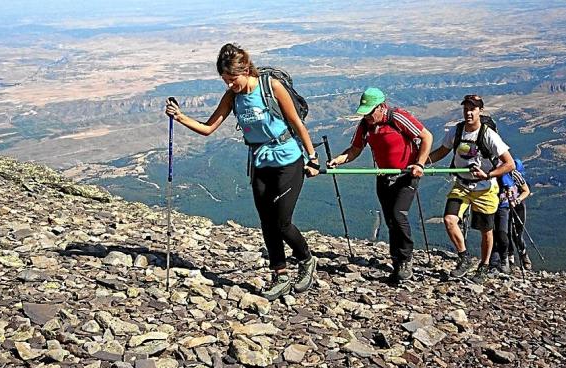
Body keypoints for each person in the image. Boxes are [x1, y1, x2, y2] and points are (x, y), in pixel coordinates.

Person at [165, 43, 320, 301]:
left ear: (246, 70)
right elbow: (208, 128)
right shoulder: (232, 97)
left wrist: (312, 158)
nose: (229, 85)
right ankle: (279, 274)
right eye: (225, 80)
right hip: (260, 162)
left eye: (232, 79)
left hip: (288, 159)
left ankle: (306, 259)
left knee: (282, 222)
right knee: (267, 222)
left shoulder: (271, 87)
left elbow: (297, 123)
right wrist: (179, 117)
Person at [327, 87, 433, 282]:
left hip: (406, 175)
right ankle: (397, 261)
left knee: (398, 214)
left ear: (381, 107)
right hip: (384, 176)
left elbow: (426, 136)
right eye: (364, 113)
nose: (367, 116)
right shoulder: (365, 125)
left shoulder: (398, 118)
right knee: (390, 220)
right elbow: (355, 149)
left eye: (370, 112)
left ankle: (405, 259)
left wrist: (420, 163)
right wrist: (338, 160)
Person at [428, 94, 515, 284]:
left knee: (486, 231)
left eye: (472, 108)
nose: (468, 112)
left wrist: (489, 174)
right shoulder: (456, 131)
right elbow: (441, 152)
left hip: (485, 189)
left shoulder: (489, 135)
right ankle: (464, 257)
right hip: (461, 185)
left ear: (480, 111)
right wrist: (420, 163)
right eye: (466, 108)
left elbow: (509, 164)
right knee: (449, 220)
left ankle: (483, 266)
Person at [490, 158, 531, 273]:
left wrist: (517, 200)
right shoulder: (492, 176)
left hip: (516, 205)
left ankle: (523, 253)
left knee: (517, 234)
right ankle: (510, 260)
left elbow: (526, 190)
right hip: (503, 206)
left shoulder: (513, 173)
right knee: (504, 233)